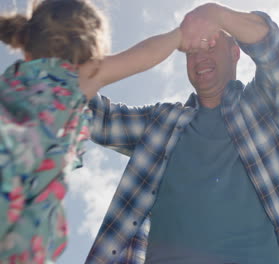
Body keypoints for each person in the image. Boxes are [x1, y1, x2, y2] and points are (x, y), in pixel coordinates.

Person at [85, 3, 279, 264]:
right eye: (191, 51)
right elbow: (86, 111)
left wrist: (216, 14)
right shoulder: (160, 123)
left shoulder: (259, 107)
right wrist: (175, 37)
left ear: (235, 53)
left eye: (211, 45)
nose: (199, 57)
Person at [0, 0, 187, 263]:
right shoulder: (74, 78)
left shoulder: (12, 83)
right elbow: (145, 55)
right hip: (17, 221)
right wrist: (180, 36)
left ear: (27, 50)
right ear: (90, 52)